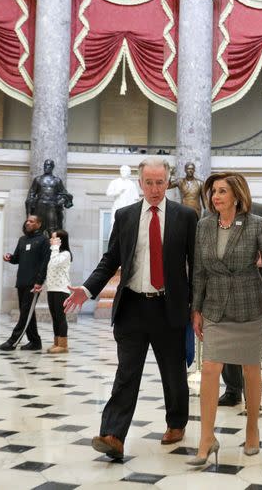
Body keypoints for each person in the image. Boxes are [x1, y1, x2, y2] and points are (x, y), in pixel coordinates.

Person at [64, 157, 198, 459]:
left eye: (160, 183)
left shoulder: (184, 216)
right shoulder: (125, 216)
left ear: (168, 182)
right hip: (133, 307)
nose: (154, 189)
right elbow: (110, 259)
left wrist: (197, 307)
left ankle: (176, 422)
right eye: (149, 183)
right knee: (126, 374)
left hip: (169, 307)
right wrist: (87, 289)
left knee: (173, 373)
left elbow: (197, 265)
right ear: (140, 184)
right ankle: (113, 434)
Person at [188, 172, 262, 466]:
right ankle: (207, 438)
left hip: (250, 306)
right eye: (213, 192)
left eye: (222, 191)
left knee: (250, 370)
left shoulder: (255, 223)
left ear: (236, 195)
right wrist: (196, 309)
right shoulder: (204, 225)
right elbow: (199, 271)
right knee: (209, 370)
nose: (216, 197)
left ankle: (252, 429)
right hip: (215, 307)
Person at [218, 201, 262, 406]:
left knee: (247, 345)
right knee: (226, 343)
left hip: (253, 286)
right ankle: (232, 390)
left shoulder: (259, 211)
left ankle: (250, 395)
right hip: (223, 287)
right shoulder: (215, 212)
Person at [0, 215, 50, 351]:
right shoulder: (22, 240)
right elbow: (17, 258)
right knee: (27, 312)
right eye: (27, 220)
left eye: (32, 221)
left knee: (25, 312)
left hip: (34, 284)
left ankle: (12, 341)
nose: (28, 223)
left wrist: (40, 281)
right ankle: (35, 342)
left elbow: (45, 263)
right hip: (21, 281)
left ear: (39, 224)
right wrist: (9, 257)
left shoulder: (43, 240)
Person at [26, 159, 74, 233]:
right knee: (38, 229)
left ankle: (54, 244)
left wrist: (61, 201)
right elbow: (31, 194)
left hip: (52, 206)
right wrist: (29, 211)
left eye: (48, 165)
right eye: (45, 165)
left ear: (52, 167)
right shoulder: (38, 179)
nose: (46, 167)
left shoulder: (57, 180)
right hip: (40, 206)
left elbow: (64, 194)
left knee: (53, 229)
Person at [45, 229, 72, 354]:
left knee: (61, 317)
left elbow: (55, 263)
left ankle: (63, 345)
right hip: (52, 289)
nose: (51, 240)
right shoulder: (54, 253)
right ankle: (56, 342)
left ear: (60, 240)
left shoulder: (66, 254)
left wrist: (55, 247)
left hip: (61, 290)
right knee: (55, 317)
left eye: (54, 238)